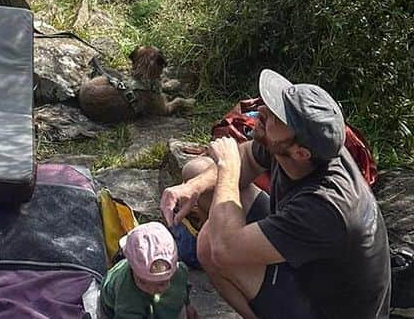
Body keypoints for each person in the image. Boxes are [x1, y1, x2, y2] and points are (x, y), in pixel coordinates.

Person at [160, 69, 391, 319]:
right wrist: (191, 189)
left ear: (300, 153)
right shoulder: (299, 148)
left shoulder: (325, 206)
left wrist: (227, 167)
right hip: (307, 263)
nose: (261, 112)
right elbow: (247, 158)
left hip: (327, 308)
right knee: (198, 173)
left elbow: (223, 248)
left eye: (276, 117)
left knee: (211, 243)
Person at [100, 221, 196, 318]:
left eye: (161, 283)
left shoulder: (180, 273)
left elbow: (183, 290)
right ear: (132, 269)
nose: (151, 289)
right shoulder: (125, 289)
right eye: (143, 282)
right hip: (116, 308)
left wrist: (188, 305)